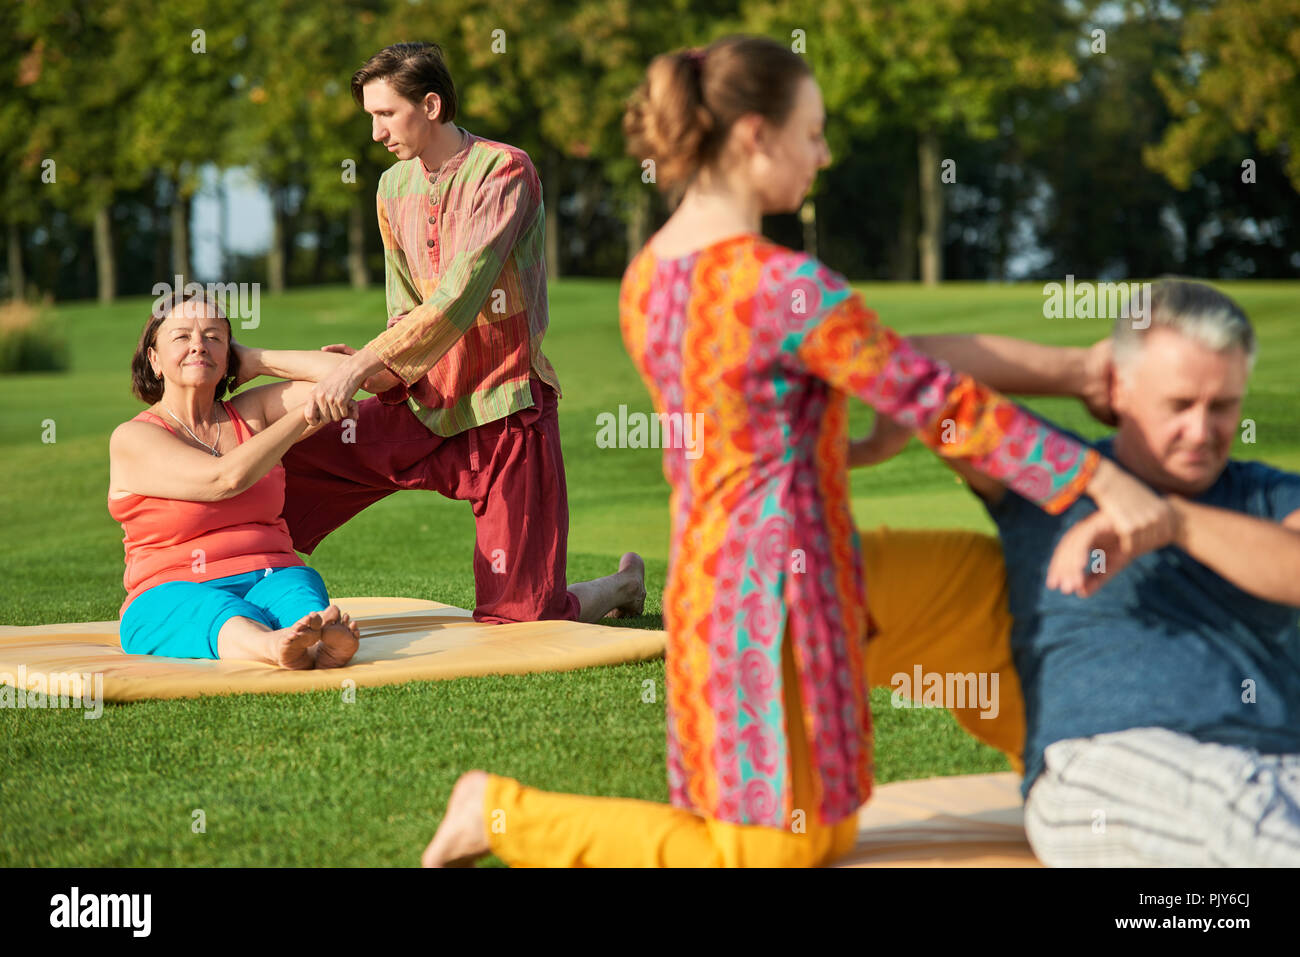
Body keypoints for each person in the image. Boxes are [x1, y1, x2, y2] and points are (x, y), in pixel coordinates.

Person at [418, 35, 1172, 867]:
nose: (824, 153)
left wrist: (846, 435)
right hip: (760, 605)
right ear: (754, 136)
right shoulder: (780, 284)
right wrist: (1099, 477)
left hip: (789, 572)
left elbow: (767, 415)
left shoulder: (651, 276)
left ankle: (1082, 783)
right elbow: (937, 396)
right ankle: (499, 814)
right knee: (769, 854)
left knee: (991, 611)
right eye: (812, 132)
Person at [910, 279, 1300, 866]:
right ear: (1121, 387)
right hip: (1110, 762)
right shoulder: (1054, 475)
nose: (1201, 432)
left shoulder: (1267, 495)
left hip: (1282, 761)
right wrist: (1076, 370)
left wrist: (1172, 523)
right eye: (1180, 405)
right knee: (1250, 816)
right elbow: (906, 372)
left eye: (1222, 407)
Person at [276, 41, 644, 625]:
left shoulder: (505, 170)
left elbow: (458, 296)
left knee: (524, 614)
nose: (375, 134)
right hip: (423, 407)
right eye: (369, 117)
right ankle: (243, 587)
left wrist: (358, 365)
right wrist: (375, 366)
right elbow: (405, 309)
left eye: (385, 115)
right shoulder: (391, 189)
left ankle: (623, 584)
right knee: (285, 465)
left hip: (504, 407)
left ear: (430, 104)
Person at [108, 292, 367, 669]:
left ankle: (314, 645)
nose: (199, 345)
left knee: (297, 591)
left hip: (272, 572)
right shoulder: (134, 438)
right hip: (171, 589)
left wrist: (258, 359)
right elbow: (223, 479)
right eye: (182, 337)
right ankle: (272, 646)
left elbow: (353, 376)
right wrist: (302, 419)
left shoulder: (253, 412)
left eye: (214, 337)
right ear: (154, 359)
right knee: (211, 609)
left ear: (229, 354)